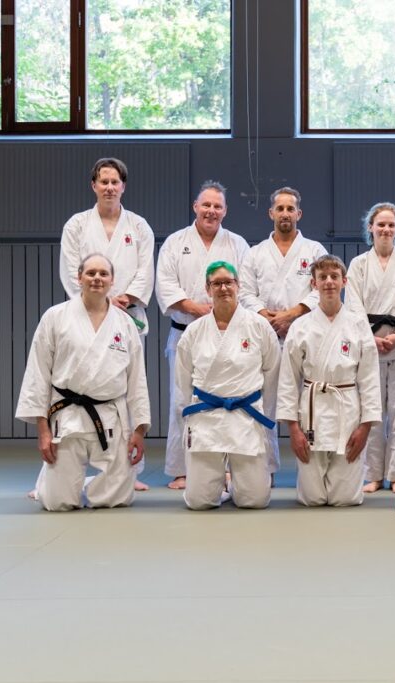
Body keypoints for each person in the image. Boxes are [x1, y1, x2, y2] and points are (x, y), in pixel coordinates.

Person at [16, 254, 150, 512]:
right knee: (58, 502)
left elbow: (137, 380)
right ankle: (51, 482)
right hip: (68, 416)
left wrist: (139, 430)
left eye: (103, 273)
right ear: (79, 278)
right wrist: (43, 431)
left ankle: (81, 481)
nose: (97, 278)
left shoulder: (125, 323)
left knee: (115, 500)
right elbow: (38, 374)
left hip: (111, 417)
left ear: (112, 281)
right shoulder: (55, 317)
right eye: (90, 273)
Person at [54, 157, 154, 492]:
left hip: (127, 315)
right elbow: (71, 270)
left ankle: (130, 469)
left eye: (115, 182)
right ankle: (68, 465)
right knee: (79, 383)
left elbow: (145, 272)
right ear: (93, 185)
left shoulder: (138, 226)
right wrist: (97, 301)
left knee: (127, 387)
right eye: (104, 181)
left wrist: (122, 300)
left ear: (123, 186)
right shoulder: (77, 225)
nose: (109, 187)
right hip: (84, 315)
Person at [156, 181, 250, 489]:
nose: (211, 211)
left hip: (227, 333)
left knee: (227, 398)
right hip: (186, 332)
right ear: (195, 207)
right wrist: (196, 308)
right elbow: (165, 285)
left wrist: (220, 312)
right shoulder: (175, 242)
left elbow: (246, 287)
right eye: (206, 205)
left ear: (225, 211)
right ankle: (181, 469)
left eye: (217, 206)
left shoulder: (237, 244)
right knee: (181, 399)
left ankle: (226, 467)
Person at [174, 261, 280, 510]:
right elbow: (183, 380)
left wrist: (264, 411)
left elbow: (272, 373)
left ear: (238, 285)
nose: (223, 288)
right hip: (206, 417)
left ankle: (233, 484)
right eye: (217, 283)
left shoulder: (259, 326)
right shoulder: (194, 331)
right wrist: (191, 415)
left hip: (246, 416)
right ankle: (217, 485)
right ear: (207, 289)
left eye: (228, 282)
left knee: (254, 500)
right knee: (199, 502)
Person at [277, 255, 381, 507]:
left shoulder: (359, 325)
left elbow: (369, 379)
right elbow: (288, 379)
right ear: (313, 284)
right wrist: (293, 430)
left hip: (347, 410)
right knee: (311, 498)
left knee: (345, 498)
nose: (329, 282)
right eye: (322, 277)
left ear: (344, 281)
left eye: (334, 277)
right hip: (311, 413)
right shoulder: (300, 326)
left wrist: (365, 427)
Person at [239, 187, 328, 481]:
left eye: (291, 209)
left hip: (304, 334)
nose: (285, 214)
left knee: (308, 403)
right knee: (264, 403)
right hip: (266, 335)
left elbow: (322, 289)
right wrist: (266, 316)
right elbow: (245, 293)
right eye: (280, 209)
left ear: (299, 214)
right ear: (271, 213)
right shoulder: (254, 254)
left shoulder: (314, 251)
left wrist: (292, 314)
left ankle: (311, 470)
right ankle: (266, 469)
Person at [345, 202, 395, 494]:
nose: (386, 229)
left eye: (391, 225)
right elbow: (353, 307)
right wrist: (371, 338)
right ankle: (373, 475)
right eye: (381, 224)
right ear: (371, 227)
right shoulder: (358, 265)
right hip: (369, 346)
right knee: (373, 413)